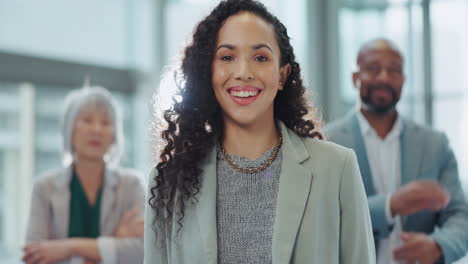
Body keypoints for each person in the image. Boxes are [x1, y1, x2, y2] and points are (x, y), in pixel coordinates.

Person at [144, 0, 375, 263]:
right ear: (209, 72)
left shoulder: (337, 168)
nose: (244, 73)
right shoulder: (168, 182)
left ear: (282, 76)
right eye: (227, 57)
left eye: (260, 58)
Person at [326, 38, 468, 264]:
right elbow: (324, 218)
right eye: (373, 68)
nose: (384, 77)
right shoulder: (326, 143)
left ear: (403, 80)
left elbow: (460, 216)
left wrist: (438, 245)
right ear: (355, 78)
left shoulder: (435, 144)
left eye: (394, 70)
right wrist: (390, 205)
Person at [23, 86, 145, 264]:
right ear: (69, 130)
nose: (97, 130)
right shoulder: (44, 188)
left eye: (105, 123)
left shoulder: (132, 185)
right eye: (87, 120)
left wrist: (69, 247)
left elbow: (142, 252)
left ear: (115, 136)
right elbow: (34, 256)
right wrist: (115, 242)